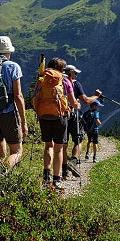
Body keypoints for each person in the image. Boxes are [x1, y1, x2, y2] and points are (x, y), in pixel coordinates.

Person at [0, 36, 28, 171]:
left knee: (0, 154)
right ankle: (0, 177)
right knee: (16, 152)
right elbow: (18, 95)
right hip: (7, 113)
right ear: (9, 51)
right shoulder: (13, 67)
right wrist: (24, 122)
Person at [36, 57, 78, 190]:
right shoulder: (65, 80)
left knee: (48, 146)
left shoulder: (42, 79)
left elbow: (35, 96)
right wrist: (77, 105)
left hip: (44, 116)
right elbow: (72, 101)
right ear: (61, 69)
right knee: (59, 148)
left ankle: (45, 176)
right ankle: (56, 179)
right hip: (60, 117)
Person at [64, 65, 102, 167]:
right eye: (75, 73)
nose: (76, 75)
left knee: (63, 142)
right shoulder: (75, 84)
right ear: (71, 72)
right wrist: (96, 96)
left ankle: (62, 168)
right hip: (72, 114)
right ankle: (73, 160)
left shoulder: (57, 82)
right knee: (79, 140)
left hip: (59, 115)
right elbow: (85, 100)